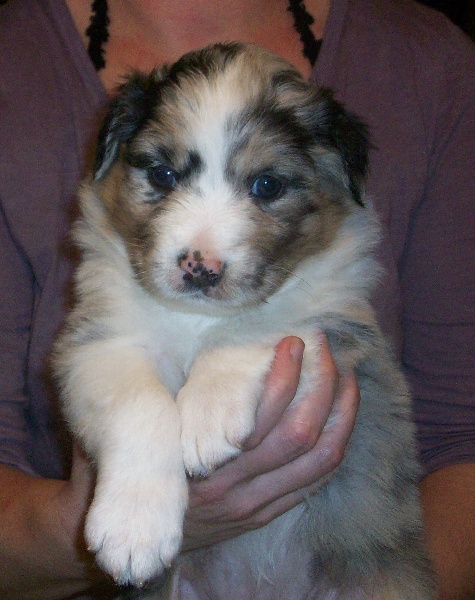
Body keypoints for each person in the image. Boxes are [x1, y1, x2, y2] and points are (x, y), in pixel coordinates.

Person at [0, 0, 473, 598]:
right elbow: (98, 362)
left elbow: (459, 434)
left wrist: (239, 361)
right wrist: (139, 458)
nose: (204, 255)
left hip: (351, 575)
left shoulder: (429, 61)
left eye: (265, 186)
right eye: (164, 177)